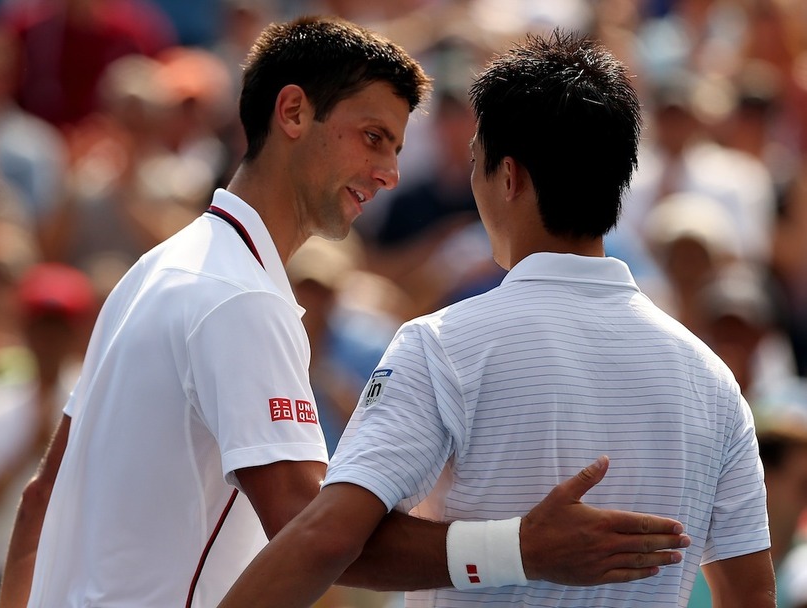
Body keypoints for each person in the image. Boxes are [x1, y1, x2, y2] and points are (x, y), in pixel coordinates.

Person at [0, 17, 689, 608]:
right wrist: (521, 548)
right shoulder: (239, 297)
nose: (389, 171)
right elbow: (318, 533)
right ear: (293, 113)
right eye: (373, 137)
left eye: (394, 145)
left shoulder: (155, 269)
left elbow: (40, 499)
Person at [218, 29, 774, 608]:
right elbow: (752, 599)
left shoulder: (441, 345)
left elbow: (327, 538)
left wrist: (513, 552)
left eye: (476, 163)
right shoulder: (712, 381)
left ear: (508, 177)